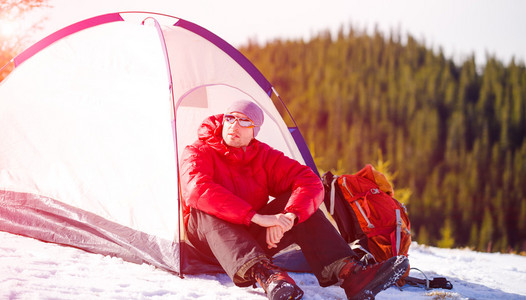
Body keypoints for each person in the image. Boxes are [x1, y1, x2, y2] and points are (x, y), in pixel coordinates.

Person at [180, 100, 409, 300]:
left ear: (255, 131)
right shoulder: (198, 151)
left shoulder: (262, 155)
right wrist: (260, 218)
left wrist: (288, 217)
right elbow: (196, 189)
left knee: (300, 205)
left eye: (244, 121)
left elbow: (308, 181)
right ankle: (267, 276)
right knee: (205, 208)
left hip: (251, 235)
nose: (234, 125)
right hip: (208, 241)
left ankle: (351, 274)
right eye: (230, 118)